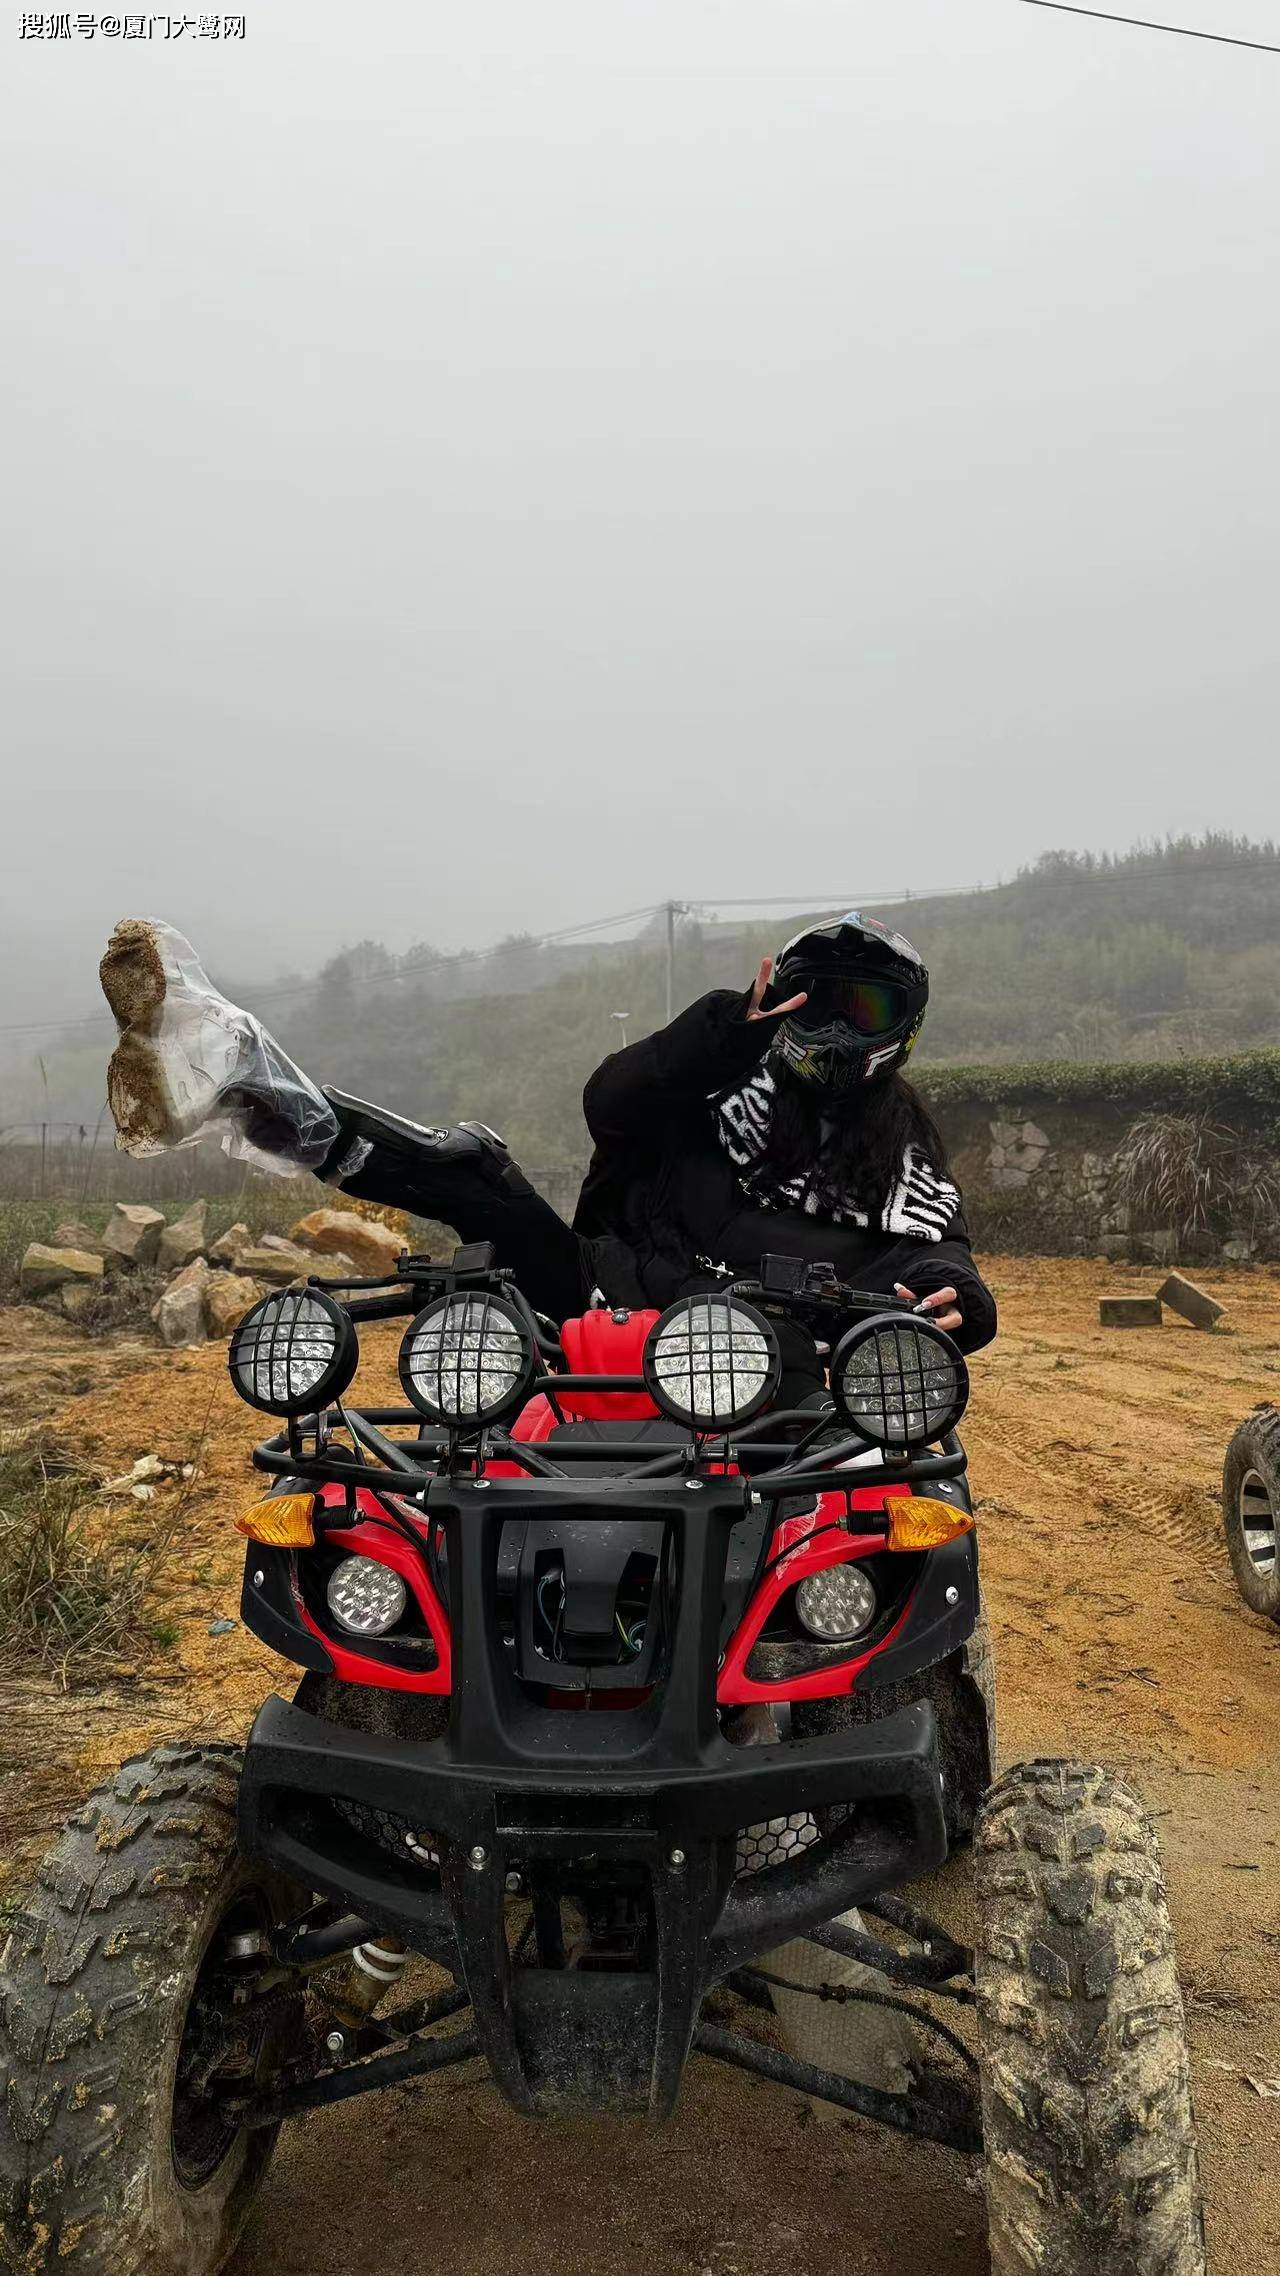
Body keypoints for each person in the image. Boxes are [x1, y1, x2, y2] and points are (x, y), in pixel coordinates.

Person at [99, 912, 996, 1371]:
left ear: (901, 1028)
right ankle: (242, 1080)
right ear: (778, 999)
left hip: (761, 1369)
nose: (833, 1025)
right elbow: (612, 1101)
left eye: (862, 1008)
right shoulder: (715, 1083)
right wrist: (721, 1033)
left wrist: (961, 1302)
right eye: (815, 998)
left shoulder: (902, 1167)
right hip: (595, 1306)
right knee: (476, 1172)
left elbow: (942, 1262)